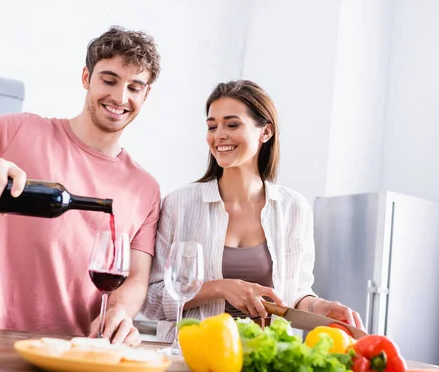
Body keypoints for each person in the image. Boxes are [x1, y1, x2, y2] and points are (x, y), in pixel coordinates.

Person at [0, 26, 162, 346]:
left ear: (146, 95)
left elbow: (135, 278)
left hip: (72, 352)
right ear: (86, 78)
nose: (120, 97)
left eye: (134, 87)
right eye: (109, 80)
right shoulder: (22, 130)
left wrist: (119, 312)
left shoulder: (145, 188)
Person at [142, 80, 364, 342]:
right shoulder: (179, 204)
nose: (218, 135)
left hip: (264, 361)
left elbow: (295, 293)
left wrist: (319, 308)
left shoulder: (294, 208)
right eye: (212, 126)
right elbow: (152, 300)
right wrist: (221, 288)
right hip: (191, 357)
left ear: (265, 132)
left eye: (232, 124)